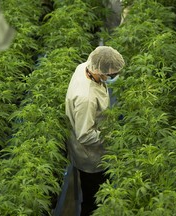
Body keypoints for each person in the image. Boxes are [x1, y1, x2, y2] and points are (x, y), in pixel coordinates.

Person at [65, 46, 125, 216]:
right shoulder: (86, 98)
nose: (113, 77)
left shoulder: (84, 67)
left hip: (95, 140)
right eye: (111, 74)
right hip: (90, 157)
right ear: (100, 70)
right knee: (94, 200)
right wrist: (110, 137)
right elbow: (85, 135)